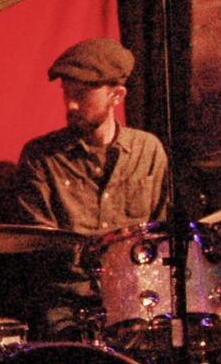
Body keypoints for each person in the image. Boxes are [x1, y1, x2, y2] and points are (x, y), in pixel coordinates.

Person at [12, 37, 169, 340]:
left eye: (81, 95)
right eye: (66, 93)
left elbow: (161, 234)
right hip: (69, 305)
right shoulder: (41, 157)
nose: (70, 105)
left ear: (116, 96)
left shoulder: (148, 150)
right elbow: (38, 246)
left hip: (138, 300)